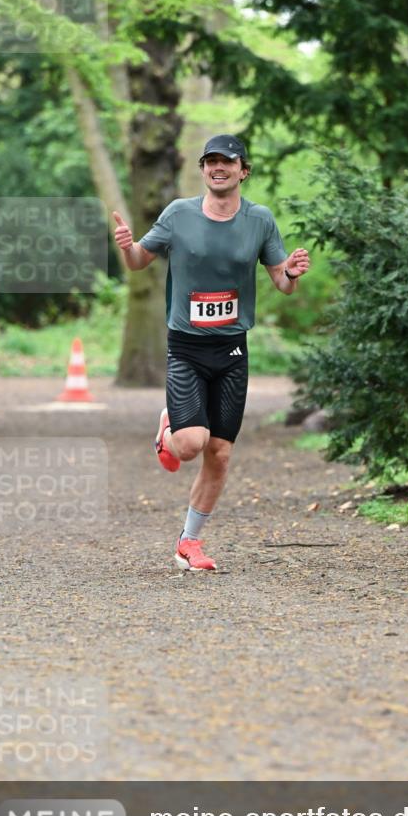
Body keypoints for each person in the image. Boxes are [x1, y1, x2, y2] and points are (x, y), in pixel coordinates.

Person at [113, 134, 310, 571]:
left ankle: (189, 542)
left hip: (232, 350)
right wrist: (126, 246)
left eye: (227, 161)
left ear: (243, 170)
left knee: (219, 453)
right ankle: (168, 431)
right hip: (186, 347)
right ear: (203, 170)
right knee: (189, 445)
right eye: (210, 162)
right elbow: (139, 262)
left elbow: (281, 281)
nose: (218, 168)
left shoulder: (260, 220)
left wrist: (292, 274)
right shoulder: (178, 214)